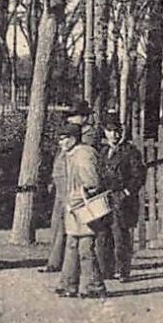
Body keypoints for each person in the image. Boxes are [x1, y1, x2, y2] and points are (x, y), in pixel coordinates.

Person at [57, 117, 109, 298]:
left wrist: (75, 198)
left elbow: (92, 183)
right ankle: (68, 284)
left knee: (85, 248)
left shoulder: (83, 155)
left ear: (73, 138)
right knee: (72, 245)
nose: (60, 142)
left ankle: (94, 286)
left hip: (85, 208)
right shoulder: (70, 154)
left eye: (64, 138)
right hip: (74, 208)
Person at [39, 102, 90, 274]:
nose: (70, 119)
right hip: (61, 185)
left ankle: (70, 267)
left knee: (76, 228)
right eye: (70, 116)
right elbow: (60, 158)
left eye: (75, 115)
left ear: (84, 117)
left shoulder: (88, 136)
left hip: (74, 186)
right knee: (58, 224)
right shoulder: (67, 135)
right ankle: (55, 261)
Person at [96, 113, 145, 282]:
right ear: (104, 132)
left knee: (121, 236)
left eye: (117, 131)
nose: (114, 135)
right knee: (103, 235)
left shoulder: (130, 151)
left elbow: (138, 176)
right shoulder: (103, 152)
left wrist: (126, 193)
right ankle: (106, 270)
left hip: (123, 200)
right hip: (105, 198)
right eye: (110, 131)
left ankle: (123, 271)